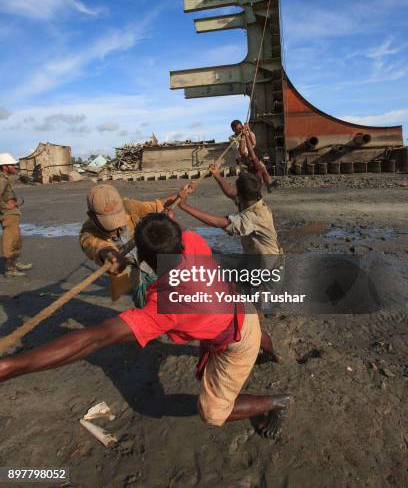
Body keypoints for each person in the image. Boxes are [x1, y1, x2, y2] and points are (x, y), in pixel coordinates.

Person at [0, 213, 291, 438]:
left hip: (234, 336)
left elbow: (94, 339)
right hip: (238, 305)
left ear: (145, 258)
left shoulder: (165, 309)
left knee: (213, 413)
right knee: (247, 329)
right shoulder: (191, 241)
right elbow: (166, 227)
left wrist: (10, 366)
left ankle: (277, 402)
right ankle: (269, 351)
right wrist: (115, 250)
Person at [177, 170, 283, 360]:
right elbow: (230, 193)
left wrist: (184, 206)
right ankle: (266, 308)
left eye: (237, 192)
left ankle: (269, 351)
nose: (234, 193)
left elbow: (221, 223)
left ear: (242, 196)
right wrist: (216, 174)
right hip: (261, 264)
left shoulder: (253, 217)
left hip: (266, 271)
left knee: (247, 316)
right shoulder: (252, 201)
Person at [79, 183, 182, 306]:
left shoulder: (129, 206)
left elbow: (157, 205)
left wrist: (180, 195)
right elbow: (95, 246)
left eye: (117, 216)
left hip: (157, 264)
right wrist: (110, 254)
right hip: (137, 276)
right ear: (92, 216)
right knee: (146, 309)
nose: (115, 225)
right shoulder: (88, 232)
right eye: (107, 220)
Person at [0, 152, 32, 277]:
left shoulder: (5, 178)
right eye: (12, 165)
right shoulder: (1, 179)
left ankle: (16, 262)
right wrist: (5, 206)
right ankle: (9, 269)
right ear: (4, 167)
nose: (14, 167)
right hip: (7, 213)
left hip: (12, 213)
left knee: (16, 239)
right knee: (10, 239)